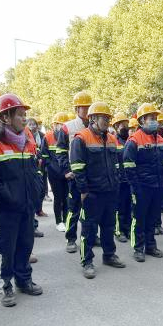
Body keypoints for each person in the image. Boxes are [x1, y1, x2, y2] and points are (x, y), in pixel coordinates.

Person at [0, 94, 44, 305]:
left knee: (25, 245)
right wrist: (9, 197)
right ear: (5, 118)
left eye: (25, 114)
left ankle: (24, 280)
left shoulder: (28, 141)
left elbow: (35, 171)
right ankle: (3, 286)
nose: (25, 119)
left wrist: (36, 192)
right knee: (3, 249)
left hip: (26, 206)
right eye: (20, 115)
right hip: (3, 209)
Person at [70, 102, 126, 278]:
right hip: (92, 193)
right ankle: (87, 261)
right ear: (93, 118)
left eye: (108, 118)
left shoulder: (111, 139)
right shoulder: (81, 138)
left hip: (110, 191)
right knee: (89, 229)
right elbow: (77, 167)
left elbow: (117, 164)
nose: (107, 122)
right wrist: (84, 191)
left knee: (109, 226)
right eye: (104, 118)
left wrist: (116, 184)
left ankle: (109, 255)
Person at [123, 103, 163, 262]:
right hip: (141, 187)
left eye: (155, 118)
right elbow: (128, 165)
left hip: (157, 186)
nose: (154, 121)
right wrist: (136, 187)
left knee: (152, 218)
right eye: (151, 118)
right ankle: (138, 248)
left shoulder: (160, 138)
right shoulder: (134, 140)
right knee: (139, 218)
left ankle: (150, 246)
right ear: (142, 120)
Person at [57, 91, 92, 253]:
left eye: (89, 107)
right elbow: (60, 151)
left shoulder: (95, 127)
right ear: (77, 109)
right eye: (84, 107)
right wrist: (66, 170)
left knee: (91, 209)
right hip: (75, 176)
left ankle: (92, 236)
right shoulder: (67, 127)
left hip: (92, 176)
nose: (87, 110)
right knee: (74, 209)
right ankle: (70, 239)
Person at [112, 112, 132, 242]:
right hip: (118, 180)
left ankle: (127, 229)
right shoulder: (112, 140)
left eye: (126, 124)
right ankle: (119, 231)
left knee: (128, 206)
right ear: (116, 126)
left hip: (129, 179)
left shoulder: (130, 140)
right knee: (119, 207)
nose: (125, 127)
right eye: (122, 124)